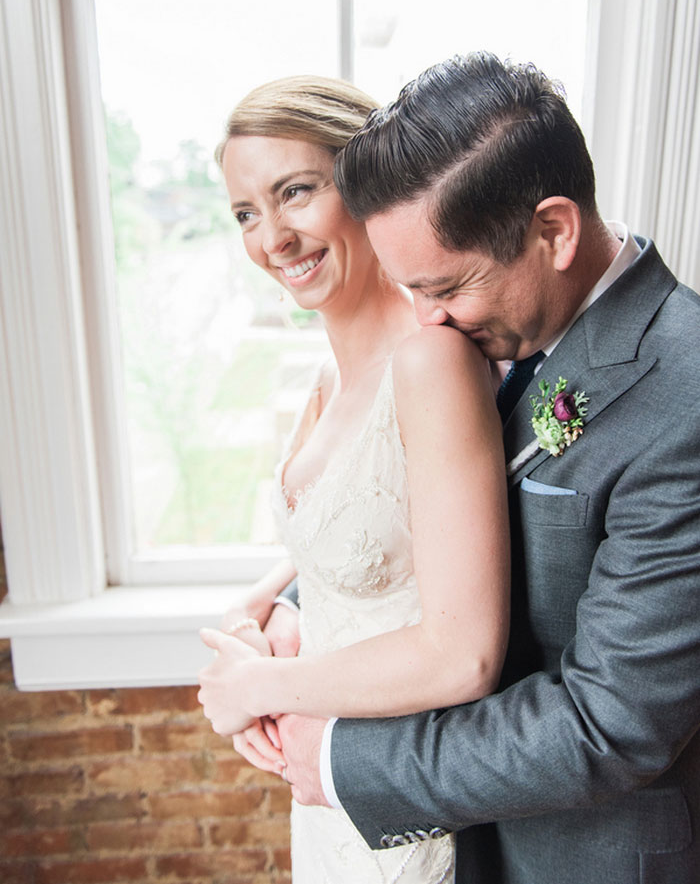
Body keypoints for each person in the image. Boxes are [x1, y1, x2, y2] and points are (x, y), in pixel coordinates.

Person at [258, 53, 700, 884]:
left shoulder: (687, 395)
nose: (426, 320)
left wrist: (352, 760)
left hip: (581, 855)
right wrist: (298, 593)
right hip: (464, 843)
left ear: (554, 231)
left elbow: (608, 721)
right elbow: (424, 508)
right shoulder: (495, 327)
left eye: (446, 286)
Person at [197, 75, 511, 883]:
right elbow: (362, 539)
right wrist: (261, 604)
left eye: (294, 192)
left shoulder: (432, 362)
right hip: (324, 802)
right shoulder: (323, 380)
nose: (273, 237)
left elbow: (462, 654)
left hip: (398, 810)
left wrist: (257, 683)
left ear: (365, 186)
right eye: (245, 213)